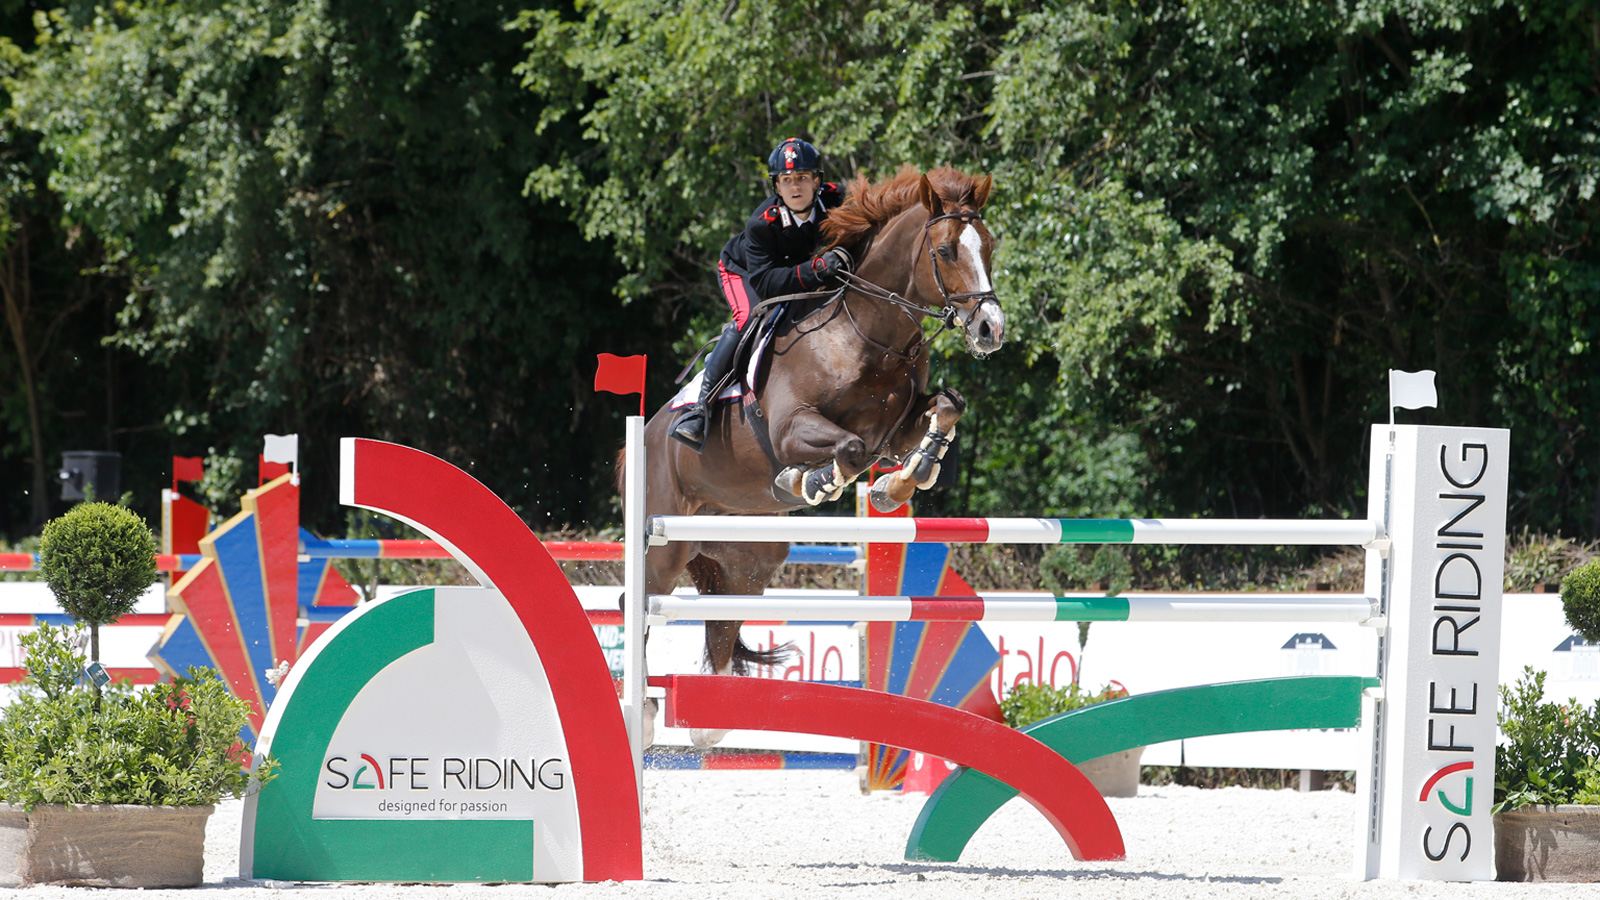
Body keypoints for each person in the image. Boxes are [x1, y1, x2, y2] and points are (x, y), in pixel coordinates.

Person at [671, 137, 854, 451]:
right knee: (748, 320)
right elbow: (767, 283)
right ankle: (700, 408)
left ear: (817, 182)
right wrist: (817, 268)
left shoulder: (837, 198)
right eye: (786, 180)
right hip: (744, 272)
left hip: (794, 267)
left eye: (802, 178)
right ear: (777, 187)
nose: (795, 187)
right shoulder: (761, 224)